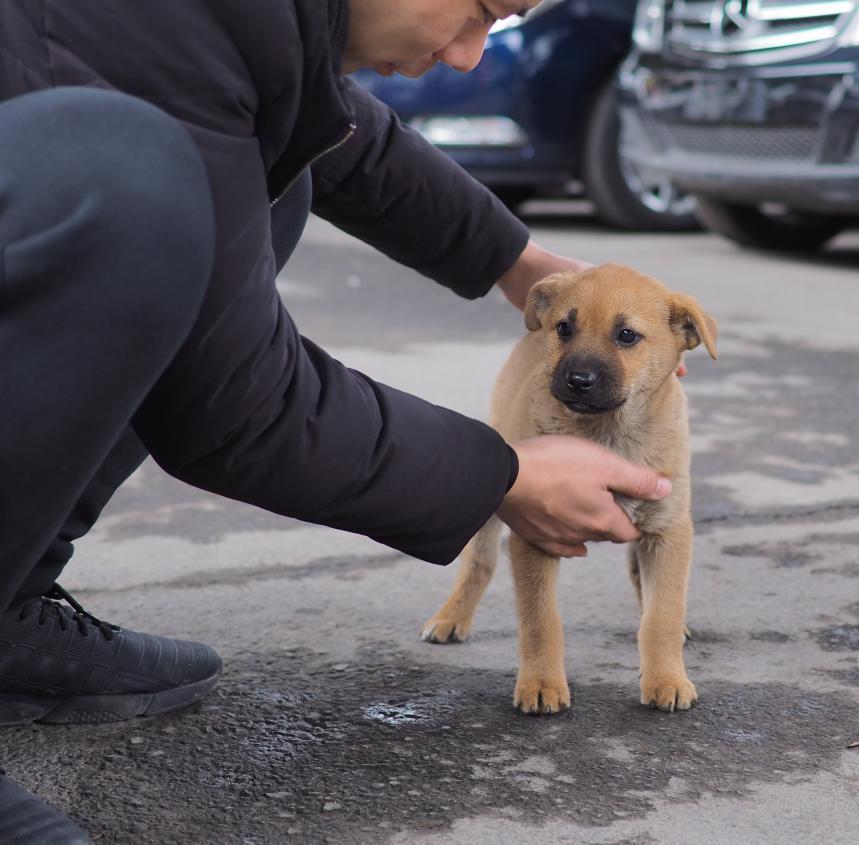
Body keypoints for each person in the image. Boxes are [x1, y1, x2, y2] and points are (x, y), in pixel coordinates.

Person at [0, 0, 674, 840]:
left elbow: (336, 128)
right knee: (128, 181)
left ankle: (9, 598)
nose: (468, 58)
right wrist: (502, 473)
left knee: (270, 178)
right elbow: (237, 402)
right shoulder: (148, 27)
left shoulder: (240, 29)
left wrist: (519, 263)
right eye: (479, 10)